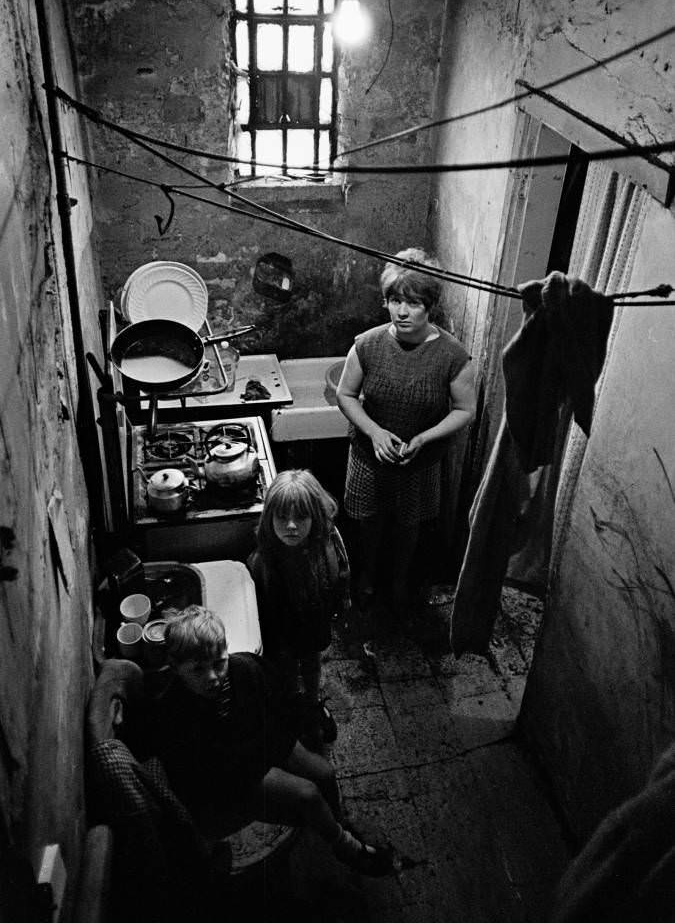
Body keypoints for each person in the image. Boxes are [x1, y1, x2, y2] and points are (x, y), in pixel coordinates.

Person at [148, 605, 392, 876]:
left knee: (326, 773)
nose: (213, 677)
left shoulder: (244, 668)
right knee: (308, 795)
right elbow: (206, 770)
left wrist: (280, 741)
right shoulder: (174, 710)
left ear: (227, 650)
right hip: (235, 777)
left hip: (259, 744)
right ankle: (345, 847)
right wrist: (266, 758)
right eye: (198, 670)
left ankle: (336, 824)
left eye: (219, 663)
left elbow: (280, 703)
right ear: (175, 667)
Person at [336, 247, 476, 609]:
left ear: (430, 305)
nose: (401, 311)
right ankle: (365, 577)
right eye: (395, 300)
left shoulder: (453, 356)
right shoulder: (366, 345)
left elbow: (465, 409)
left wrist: (425, 437)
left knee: (408, 527)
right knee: (368, 522)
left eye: (412, 303)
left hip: (420, 460)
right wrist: (374, 432)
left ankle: (400, 581)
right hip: (370, 456)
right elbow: (346, 395)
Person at [247, 469, 351, 749]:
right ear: (269, 519)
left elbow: (341, 572)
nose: (291, 526)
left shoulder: (324, 543)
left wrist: (341, 603)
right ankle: (295, 709)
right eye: (282, 518)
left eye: (301, 517)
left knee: (313, 663)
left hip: (314, 621)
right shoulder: (263, 561)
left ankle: (313, 704)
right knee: (288, 670)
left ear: (315, 518)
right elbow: (262, 609)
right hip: (283, 632)